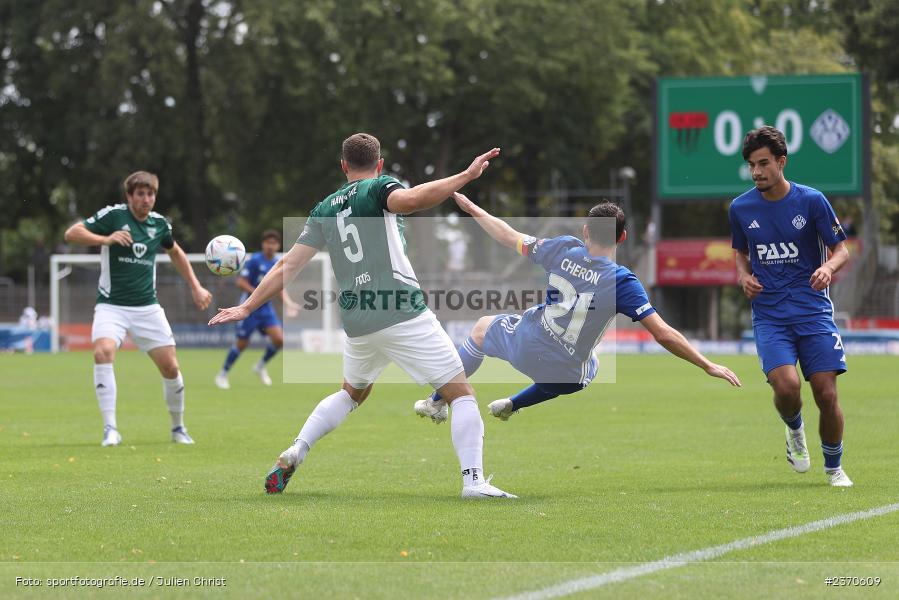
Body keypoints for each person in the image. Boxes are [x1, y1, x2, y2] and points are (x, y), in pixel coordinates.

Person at [209, 133, 516, 498]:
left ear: (343, 165)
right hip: (399, 309)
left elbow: (286, 267)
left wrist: (246, 307)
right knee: (461, 393)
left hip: (357, 318)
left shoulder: (323, 209)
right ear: (380, 164)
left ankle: (297, 448)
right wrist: (465, 175)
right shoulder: (377, 188)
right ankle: (473, 482)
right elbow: (414, 199)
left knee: (352, 393)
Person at [414, 194, 741, 425]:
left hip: (527, 343)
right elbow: (664, 334)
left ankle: (437, 402)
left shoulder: (562, 249)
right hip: (564, 371)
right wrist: (706, 363)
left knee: (482, 327)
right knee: (590, 367)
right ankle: (515, 404)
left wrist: (474, 211)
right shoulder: (622, 281)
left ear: (585, 232)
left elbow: (510, 236)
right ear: (623, 237)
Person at [729, 125, 852, 487]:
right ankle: (794, 430)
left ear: (781, 161)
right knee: (786, 387)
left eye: (764, 163)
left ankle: (834, 468)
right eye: (752, 164)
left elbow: (842, 249)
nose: (757, 172)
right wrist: (742, 276)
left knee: (826, 393)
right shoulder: (740, 207)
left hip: (813, 312)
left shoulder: (812, 200)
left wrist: (828, 268)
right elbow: (740, 252)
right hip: (770, 315)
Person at [64, 171, 213, 446]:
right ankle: (110, 428)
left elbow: (176, 252)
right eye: (141, 194)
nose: (146, 199)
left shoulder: (160, 224)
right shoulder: (114, 216)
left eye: (151, 194)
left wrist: (195, 286)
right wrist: (105, 239)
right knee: (103, 351)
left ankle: (178, 428)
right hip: (111, 305)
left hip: (147, 308)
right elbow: (72, 233)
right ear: (129, 196)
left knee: (170, 367)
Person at [215, 229, 300, 389]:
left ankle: (260, 366)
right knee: (242, 343)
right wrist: (258, 294)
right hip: (249, 307)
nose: (270, 246)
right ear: (263, 244)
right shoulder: (255, 260)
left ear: (278, 245)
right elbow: (241, 282)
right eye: (268, 242)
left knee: (279, 340)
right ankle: (223, 374)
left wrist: (289, 303)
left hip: (266, 309)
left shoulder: (277, 263)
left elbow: (279, 287)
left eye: (274, 243)